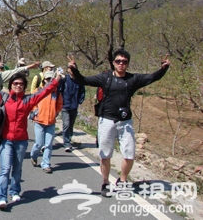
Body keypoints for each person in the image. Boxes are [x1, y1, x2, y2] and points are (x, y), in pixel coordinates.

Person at [68, 50, 170, 197]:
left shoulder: (133, 79)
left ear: (128, 63)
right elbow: (84, 80)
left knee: (129, 154)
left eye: (124, 61)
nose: (121, 64)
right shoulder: (105, 77)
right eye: (118, 61)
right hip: (107, 120)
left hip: (125, 121)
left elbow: (152, 78)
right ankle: (105, 182)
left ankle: (122, 180)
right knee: (105, 154)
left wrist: (163, 68)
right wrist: (74, 69)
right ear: (113, 63)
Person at [0, 59, 62, 209]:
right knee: (5, 169)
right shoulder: (4, 98)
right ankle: (1, 198)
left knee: (17, 169)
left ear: (24, 86)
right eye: (15, 83)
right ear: (10, 85)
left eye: (21, 84)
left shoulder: (29, 100)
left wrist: (56, 80)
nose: (18, 86)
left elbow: (45, 91)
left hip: (22, 141)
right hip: (6, 140)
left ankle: (15, 191)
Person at [29, 70, 63, 174]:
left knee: (48, 145)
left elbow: (59, 104)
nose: (49, 81)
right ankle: (33, 156)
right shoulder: (38, 90)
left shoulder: (56, 92)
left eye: (51, 79)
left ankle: (46, 164)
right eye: (48, 79)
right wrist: (35, 111)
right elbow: (32, 102)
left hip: (51, 122)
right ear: (44, 80)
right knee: (39, 144)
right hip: (39, 121)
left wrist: (56, 112)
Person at [61, 65, 86, 152]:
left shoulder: (79, 80)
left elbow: (82, 91)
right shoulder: (64, 79)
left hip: (74, 106)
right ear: (68, 69)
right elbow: (60, 90)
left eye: (73, 68)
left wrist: (80, 101)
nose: (71, 70)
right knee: (66, 124)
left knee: (71, 125)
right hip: (65, 106)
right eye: (70, 68)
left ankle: (69, 139)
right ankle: (66, 143)